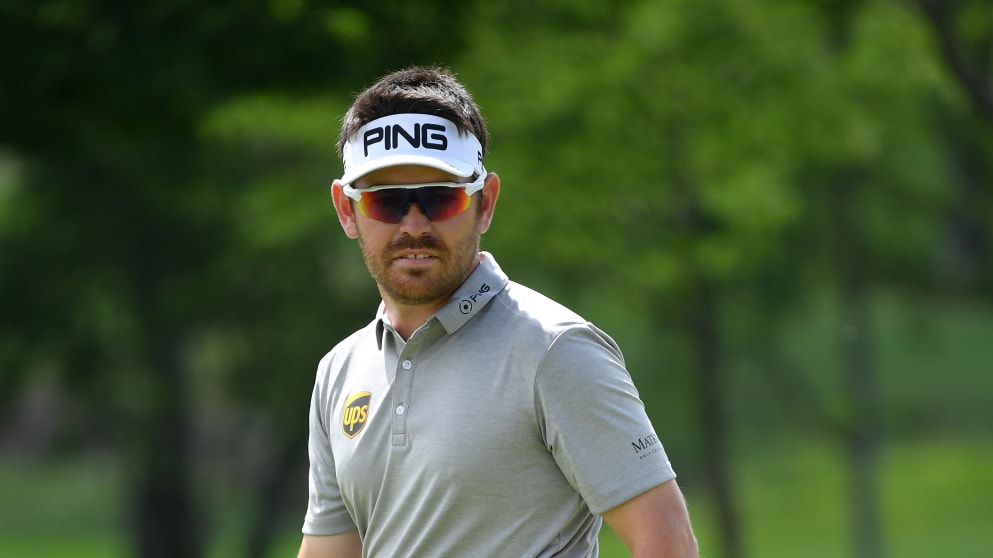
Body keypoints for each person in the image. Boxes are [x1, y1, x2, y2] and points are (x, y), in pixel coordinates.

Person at [298, 66, 698, 558]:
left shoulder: (554, 348)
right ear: (346, 210)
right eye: (387, 202)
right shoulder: (338, 371)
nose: (415, 224)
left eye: (441, 198)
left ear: (484, 202)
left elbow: (668, 543)